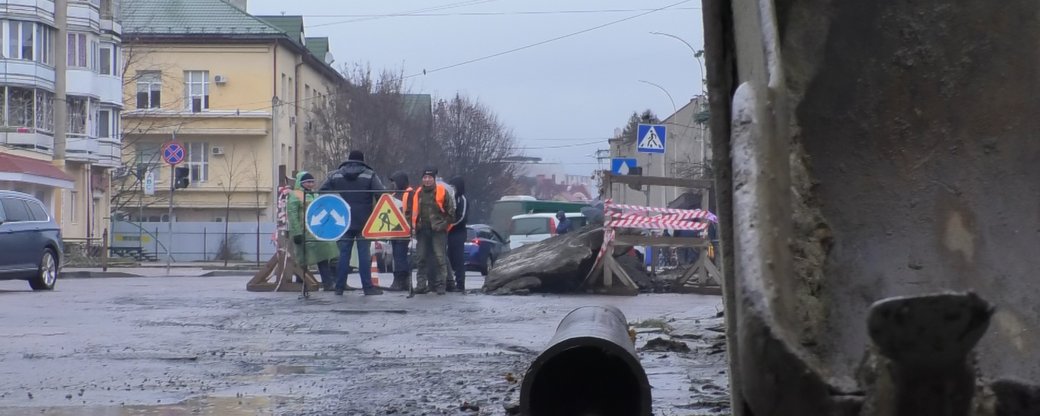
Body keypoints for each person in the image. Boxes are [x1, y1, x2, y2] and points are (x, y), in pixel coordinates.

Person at [320, 150, 386, 296]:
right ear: (363, 160)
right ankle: (368, 288)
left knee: (344, 254)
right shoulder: (369, 174)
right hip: (364, 222)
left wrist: (336, 202)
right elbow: (381, 194)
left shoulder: (335, 175)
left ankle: (339, 287)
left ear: (348, 160)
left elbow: (322, 191)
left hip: (342, 220)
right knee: (364, 255)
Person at [286, 171, 339, 290]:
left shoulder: (315, 195)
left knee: (323, 256)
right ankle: (301, 282)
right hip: (303, 232)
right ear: (301, 183)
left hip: (316, 232)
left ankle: (328, 283)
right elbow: (293, 215)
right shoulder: (295, 195)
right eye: (307, 182)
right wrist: (297, 233)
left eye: (312, 182)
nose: (310, 184)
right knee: (303, 259)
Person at [410, 167, 455, 295]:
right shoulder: (418, 193)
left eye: (430, 178)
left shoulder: (442, 192)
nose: (427, 180)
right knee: (421, 258)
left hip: (438, 231)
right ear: (422, 179)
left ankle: (441, 285)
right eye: (425, 177)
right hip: (422, 230)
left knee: (440, 258)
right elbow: (412, 212)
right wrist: (414, 226)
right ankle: (421, 285)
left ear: (434, 179)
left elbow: (451, 213)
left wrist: (443, 225)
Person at [388, 171, 413, 291]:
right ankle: (402, 281)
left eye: (395, 182)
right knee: (397, 256)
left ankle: (400, 281)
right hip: (394, 230)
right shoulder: (394, 195)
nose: (394, 185)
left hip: (404, 231)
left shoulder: (409, 194)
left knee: (400, 256)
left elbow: (411, 212)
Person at [446, 177, 468, 292]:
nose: (452, 189)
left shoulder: (462, 199)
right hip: (448, 233)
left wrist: (450, 225)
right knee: (448, 258)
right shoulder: (449, 198)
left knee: (458, 259)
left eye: (454, 187)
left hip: (458, 233)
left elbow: (462, 217)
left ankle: (460, 284)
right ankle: (449, 282)